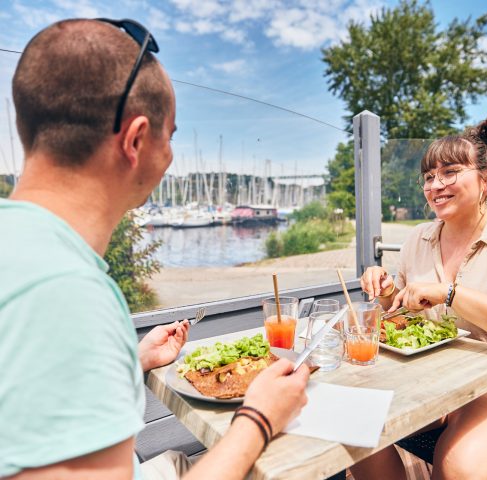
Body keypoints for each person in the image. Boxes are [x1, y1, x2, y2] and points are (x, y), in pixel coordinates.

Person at [0, 18, 309, 480]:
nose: (170, 156)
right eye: (172, 135)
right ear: (136, 139)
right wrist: (259, 420)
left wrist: (130, 358)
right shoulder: (65, 293)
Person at [355, 117, 487, 480]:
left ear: (486, 179)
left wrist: (451, 294)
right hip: (430, 380)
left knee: (461, 466)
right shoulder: (418, 239)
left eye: (450, 172)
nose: (436, 185)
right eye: (428, 177)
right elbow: (400, 316)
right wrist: (389, 291)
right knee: (354, 426)